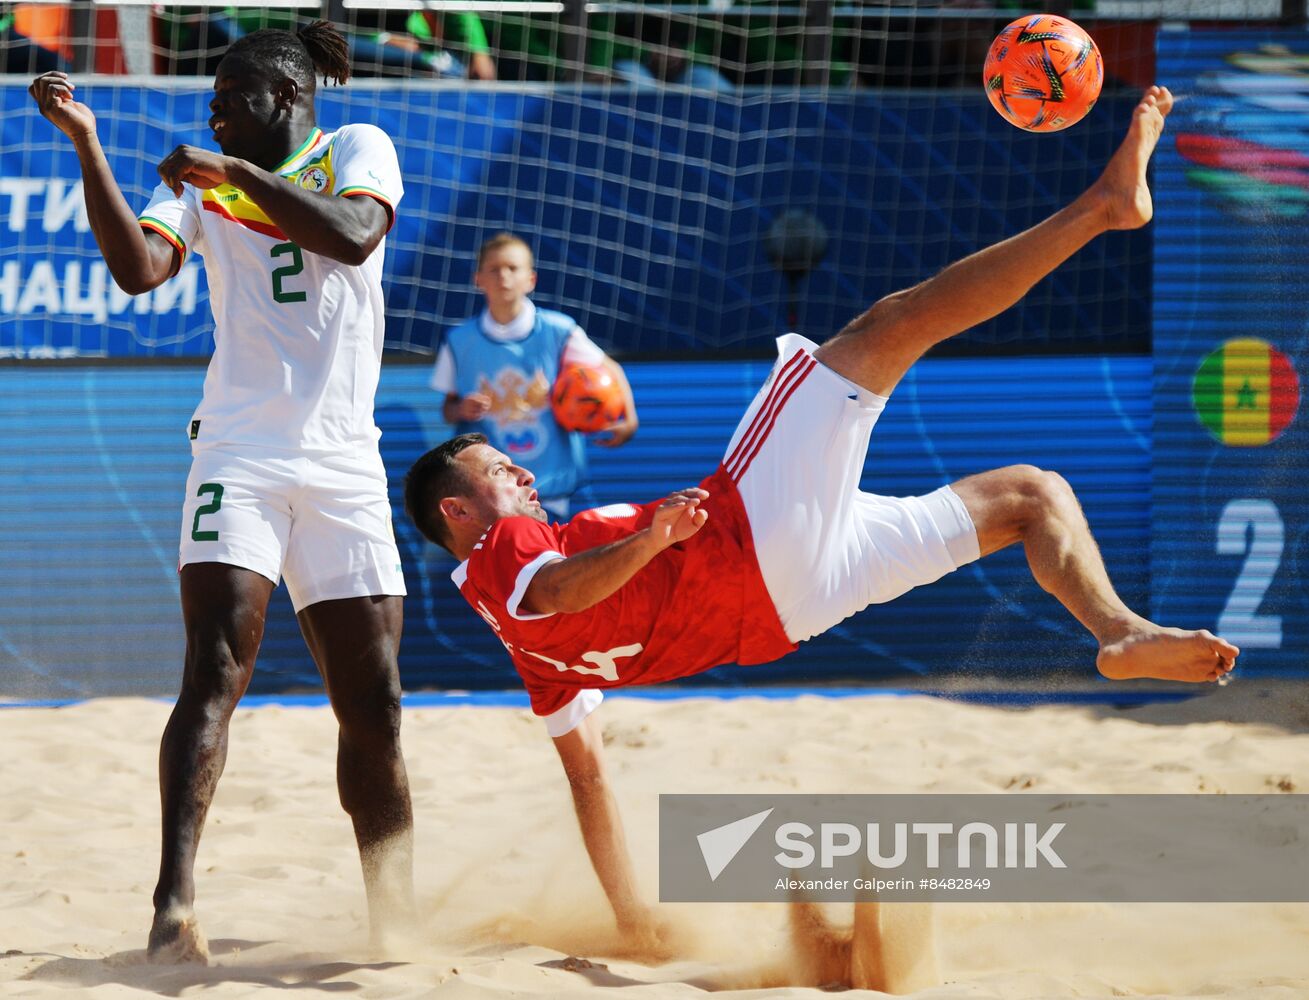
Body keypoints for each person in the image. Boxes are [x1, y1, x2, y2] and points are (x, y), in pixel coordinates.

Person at [403, 87, 1240, 948]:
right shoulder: (505, 552)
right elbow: (562, 592)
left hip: (790, 611)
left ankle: (1118, 632)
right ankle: (1102, 208)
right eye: (500, 469)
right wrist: (652, 538)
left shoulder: (534, 665)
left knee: (1030, 496)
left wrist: (632, 923)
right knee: (892, 324)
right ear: (457, 509)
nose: (522, 474)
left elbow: (588, 784)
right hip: (752, 535)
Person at [30, 21, 415, 964]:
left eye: (229, 101)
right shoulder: (207, 188)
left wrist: (229, 176)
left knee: (375, 706)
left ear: (285, 98)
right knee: (212, 670)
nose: (216, 116)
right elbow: (137, 270)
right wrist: (87, 147)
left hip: (343, 464)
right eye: (212, 106)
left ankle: (394, 919)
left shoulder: (356, 149)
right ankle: (173, 906)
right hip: (237, 454)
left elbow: (356, 236)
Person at [433, 233, 639, 519]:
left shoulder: (559, 331)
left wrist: (629, 419)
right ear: (478, 278)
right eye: (494, 269)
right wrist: (460, 409)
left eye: (513, 268)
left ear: (531, 279)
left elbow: (611, 369)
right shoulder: (459, 341)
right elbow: (447, 409)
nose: (503, 276)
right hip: (494, 498)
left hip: (558, 489)